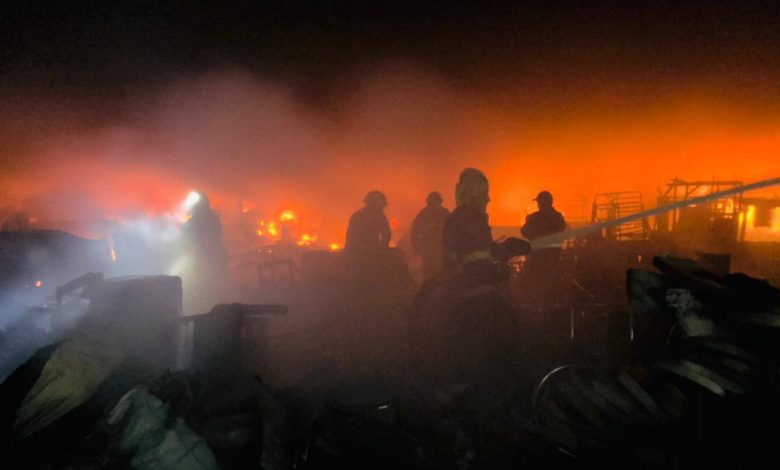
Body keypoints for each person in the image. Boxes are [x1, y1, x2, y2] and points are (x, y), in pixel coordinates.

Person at [181, 191, 228, 312]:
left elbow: (186, 233)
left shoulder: (199, 220)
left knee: (206, 289)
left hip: (206, 259)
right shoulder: (213, 218)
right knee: (216, 288)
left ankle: (207, 312)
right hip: (215, 257)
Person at [411, 191, 450, 282]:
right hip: (431, 252)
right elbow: (415, 231)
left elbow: (452, 230)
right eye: (433, 202)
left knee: (436, 275)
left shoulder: (444, 213)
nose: (434, 205)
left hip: (439, 251)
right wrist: (416, 246)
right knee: (430, 274)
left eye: (436, 202)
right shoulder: (423, 214)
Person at [344, 190, 391, 256]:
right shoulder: (379, 216)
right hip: (370, 251)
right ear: (374, 204)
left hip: (354, 250)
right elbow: (386, 233)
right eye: (381, 206)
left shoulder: (357, 215)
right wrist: (382, 248)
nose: (382, 208)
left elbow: (349, 236)